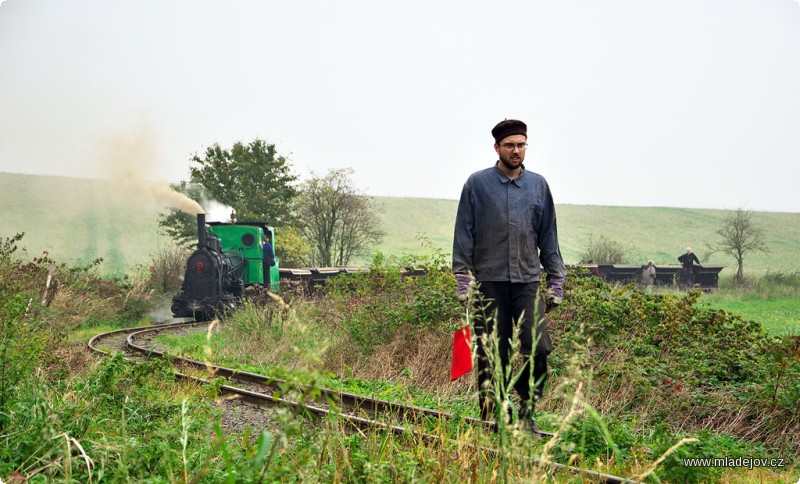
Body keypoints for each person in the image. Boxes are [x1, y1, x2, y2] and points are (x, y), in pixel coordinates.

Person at [452, 119, 567, 435]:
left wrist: (556, 280)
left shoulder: (538, 186)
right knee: (493, 354)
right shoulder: (477, 185)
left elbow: (549, 237)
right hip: (488, 283)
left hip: (527, 282)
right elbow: (464, 234)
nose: (516, 151)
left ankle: (527, 411)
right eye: (509, 145)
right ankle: (495, 417)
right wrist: (463, 278)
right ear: (497, 148)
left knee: (539, 347)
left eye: (521, 145)